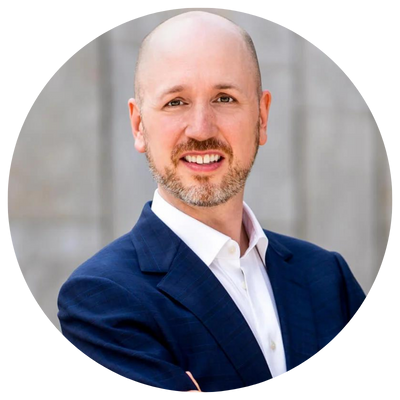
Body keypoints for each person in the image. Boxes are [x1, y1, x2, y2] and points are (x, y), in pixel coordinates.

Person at [58, 11, 366, 393]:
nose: (201, 129)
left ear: (261, 116)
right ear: (139, 125)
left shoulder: (328, 279)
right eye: (176, 102)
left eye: (224, 98)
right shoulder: (102, 300)